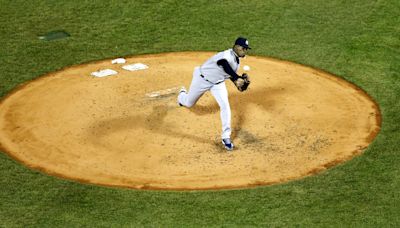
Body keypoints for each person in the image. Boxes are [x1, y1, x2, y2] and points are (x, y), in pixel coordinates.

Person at [177, 37, 251, 151]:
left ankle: (226, 137)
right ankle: (182, 95)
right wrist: (237, 77)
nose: (245, 51)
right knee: (189, 103)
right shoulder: (226, 55)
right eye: (243, 48)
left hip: (217, 84)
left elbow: (229, 74)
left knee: (225, 106)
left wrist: (241, 83)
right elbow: (223, 64)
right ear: (236, 46)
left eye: (246, 49)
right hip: (202, 79)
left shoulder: (237, 62)